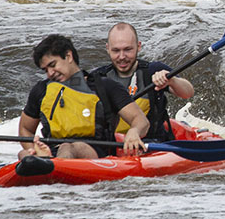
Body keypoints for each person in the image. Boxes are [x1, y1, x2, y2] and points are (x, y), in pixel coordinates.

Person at [17, 34, 149, 159]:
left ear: (68, 56)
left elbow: (140, 120)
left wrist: (134, 131)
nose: (50, 73)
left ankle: (52, 166)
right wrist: (33, 148)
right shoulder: (41, 90)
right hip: (53, 149)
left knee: (69, 148)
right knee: (24, 155)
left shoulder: (104, 86)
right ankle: (46, 160)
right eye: (45, 70)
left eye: (53, 65)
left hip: (95, 151)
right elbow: (25, 128)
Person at [90, 22, 194, 141]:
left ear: (138, 46)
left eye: (128, 49)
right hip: (112, 146)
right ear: (108, 49)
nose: (122, 56)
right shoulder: (97, 77)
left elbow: (188, 93)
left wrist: (172, 81)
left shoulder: (153, 71)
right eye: (116, 51)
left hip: (153, 145)